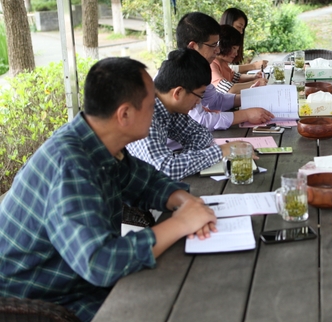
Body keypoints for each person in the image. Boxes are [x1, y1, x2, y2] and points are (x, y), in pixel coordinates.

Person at [0, 58, 217, 322]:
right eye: (151, 105)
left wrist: (185, 202)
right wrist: (181, 223)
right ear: (124, 114)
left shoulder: (95, 141)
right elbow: (101, 263)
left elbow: (145, 180)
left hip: (76, 282)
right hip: (37, 303)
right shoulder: (72, 166)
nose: (156, 112)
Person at [126, 48, 248, 181]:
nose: (198, 102)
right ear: (178, 93)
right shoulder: (144, 116)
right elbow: (166, 169)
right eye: (199, 95)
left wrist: (186, 160)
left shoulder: (169, 108)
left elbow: (201, 135)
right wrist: (221, 151)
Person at [176, 12, 273, 130]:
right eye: (213, 45)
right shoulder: (181, 73)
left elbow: (215, 100)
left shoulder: (198, 68)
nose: (218, 50)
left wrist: (250, 97)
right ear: (193, 46)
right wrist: (245, 115)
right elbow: (200, 120)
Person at [211, 25, 266, 94]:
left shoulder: (223, 62)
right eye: (234, 48)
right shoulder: (212, 64)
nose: (236, 54)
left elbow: (235, 78)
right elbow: (229, 90)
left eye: (237, 50)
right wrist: (255, 83)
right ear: (223, 45)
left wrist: (254, 77)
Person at [220, 7, 267, 72]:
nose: (241, 32)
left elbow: (232, 74)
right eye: (239, 27)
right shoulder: (216, 45)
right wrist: (253, 66)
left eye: (242, 28)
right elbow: (225, 69)